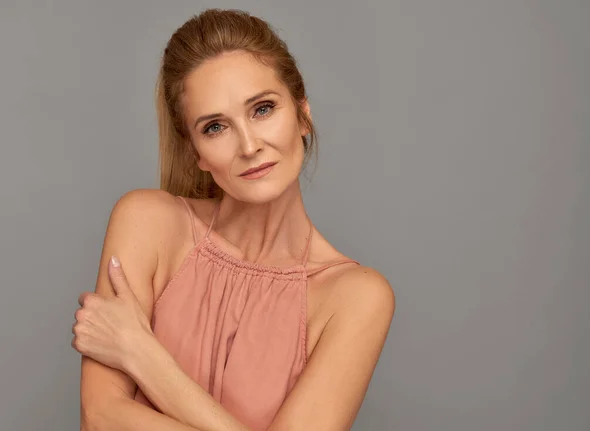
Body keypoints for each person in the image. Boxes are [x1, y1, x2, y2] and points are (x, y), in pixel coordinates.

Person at [71, 8, 395, 431]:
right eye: (215, 127)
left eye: (262, 109)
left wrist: (140, 354)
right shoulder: (147, 223)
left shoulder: (356, 296)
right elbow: (100, 420)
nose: (249, 145)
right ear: (196, 154)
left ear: (303, 115)